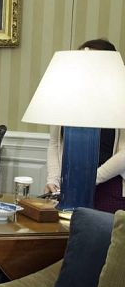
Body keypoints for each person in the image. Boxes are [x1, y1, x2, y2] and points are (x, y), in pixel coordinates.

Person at [45, 39, 125, 213]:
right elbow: (54, 143)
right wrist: (53, 179)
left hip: (110, 182)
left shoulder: (120, 99)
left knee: (98, 230)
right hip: (70, 182)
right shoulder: (65, 99)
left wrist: (90, 179)